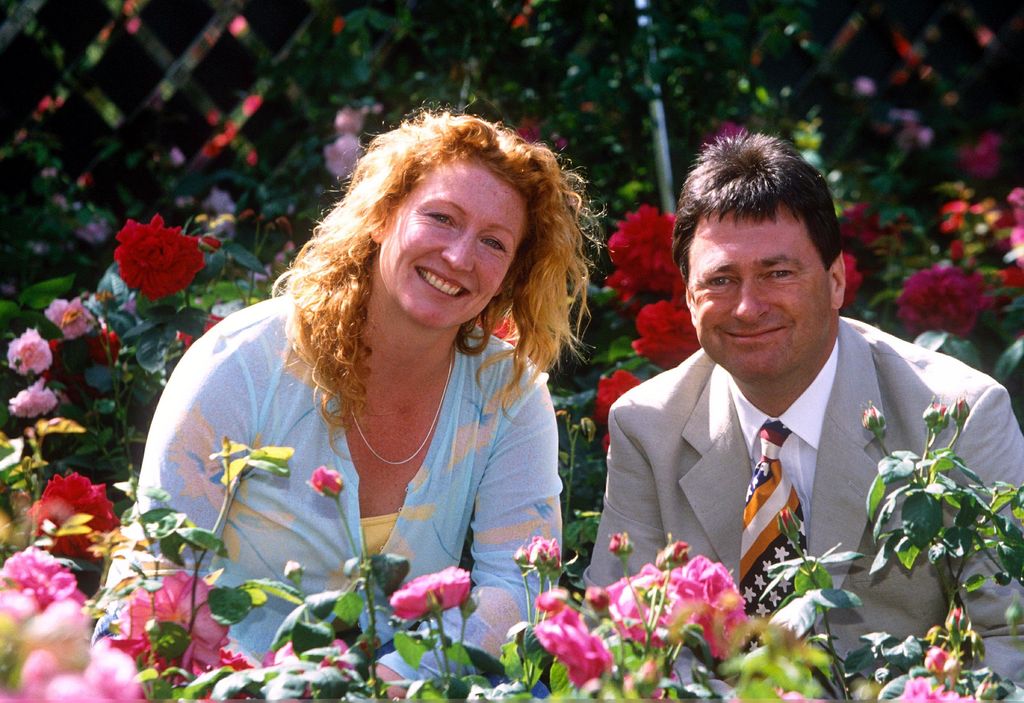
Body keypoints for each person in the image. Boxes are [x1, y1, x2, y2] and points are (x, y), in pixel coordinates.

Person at [120, 111, 595, 683]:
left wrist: (382, 688)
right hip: (217, 679)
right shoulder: (245, 362)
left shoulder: (510, 395)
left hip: (405, 685)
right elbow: (158, 572)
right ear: (381, 218)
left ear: (512, 275)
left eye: (493, 243)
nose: (460, 256)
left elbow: (516, 590)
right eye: (442, 218)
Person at [585, 132, 1024, 678]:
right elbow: (619, 639)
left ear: (835, 281)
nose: (748, 307)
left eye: (778, 273)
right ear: (690, 298)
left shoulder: (959, 417)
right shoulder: (647, 426)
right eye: (720, 280)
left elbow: (1014, 633)